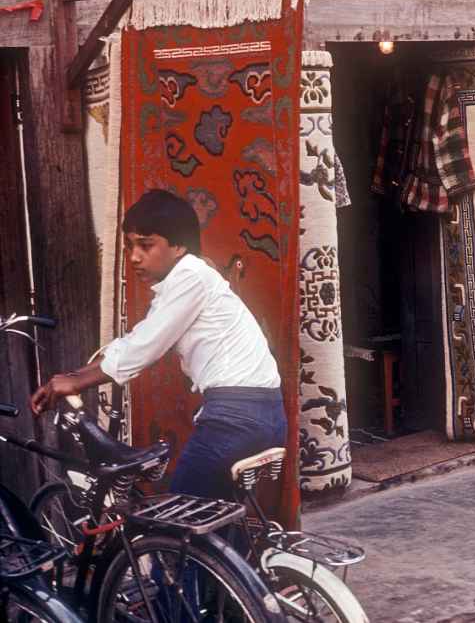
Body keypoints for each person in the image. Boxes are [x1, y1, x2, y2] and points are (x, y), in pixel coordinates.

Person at [30, 189, 287, 501]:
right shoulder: (187, 279)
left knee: (180, 513)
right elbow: (140, 338)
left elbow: (145, 348)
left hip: (236, 417)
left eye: (146, 245)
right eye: (129, 246)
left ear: (178, 246)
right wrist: (71, 378)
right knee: (212, 518)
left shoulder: (191, 276)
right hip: (261, 413)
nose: (134, 257)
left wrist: (75, 381)